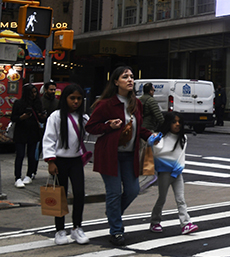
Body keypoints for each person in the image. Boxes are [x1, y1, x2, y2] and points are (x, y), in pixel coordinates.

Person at [86, 66, 154, 247]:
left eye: (131, 76)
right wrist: (108, 126)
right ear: (116, 82)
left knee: (133, 190)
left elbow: (139, 128)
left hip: (129, 155)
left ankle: (113, 212)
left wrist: (150, 136)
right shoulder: (105, 104)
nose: (130, 80)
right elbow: (90, 127)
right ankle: (116, 231)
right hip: (110, 154)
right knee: (114, 192)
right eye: (125, 77)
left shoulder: (136, 103)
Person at [42, 83, 90, 245]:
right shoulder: (55, 117)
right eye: (72, 98)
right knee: (60, 196)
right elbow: (49, 139)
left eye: (79, 98)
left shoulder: (83, 117)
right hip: (59, 161)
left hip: (76, 161)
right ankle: (60, 230)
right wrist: (50, 161)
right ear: (65, 99)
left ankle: (77, 228)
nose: (76, 101)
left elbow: (93, 130)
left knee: (79, 193)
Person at [148, 113, 198, 235]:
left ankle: (186, 223)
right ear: (168, 123)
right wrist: (153, 142)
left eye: (179, 122)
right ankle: (155, 221)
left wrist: (178, 169)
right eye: (174, 122)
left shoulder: (183, 138)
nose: (177, 124)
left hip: (177, 172)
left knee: (180, 199)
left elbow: (181, 155)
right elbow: (156, 153)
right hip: (165, 172)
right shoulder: (161, 137)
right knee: (162, 198)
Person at [11, 83, 46, 188]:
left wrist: (42, 116)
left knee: (32, 155)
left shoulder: (37, 104)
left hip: (33, 132)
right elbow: (13, 118)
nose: (34, 94)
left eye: (35, 92)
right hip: (21, 132)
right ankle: (17, 177)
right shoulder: (18, 103)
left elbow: (41, 120)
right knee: (20, 155)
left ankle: (29, 174)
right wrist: (21, 117)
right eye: (32, 92)